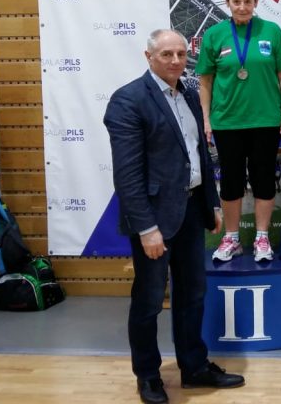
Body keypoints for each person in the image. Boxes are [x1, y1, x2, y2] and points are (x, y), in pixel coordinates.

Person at [104, 29, 244, 404]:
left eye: (181, 53)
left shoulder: (191, 96)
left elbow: (199, 155)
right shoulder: (128, 100)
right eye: (167, 54)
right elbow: (128, 175)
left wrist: (212, 204)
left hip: (192, 211)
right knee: (149, 300)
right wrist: (146, 228)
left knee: (193, 294)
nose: (176, 61)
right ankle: (148, 376)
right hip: (154, 219)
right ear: (148, 56)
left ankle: (194, 368)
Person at [197, 0, 281, 263]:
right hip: (227, 121)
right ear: (227, 2)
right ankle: (232, 238)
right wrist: (206, 119)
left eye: (247, 1)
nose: (242, 6)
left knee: (264, 179)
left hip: (265, 120)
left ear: (256, 2)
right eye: (236, 1)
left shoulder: (271, 31)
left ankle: (262, 237)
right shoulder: (214, 34)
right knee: (231, 182)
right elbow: (205, 81)